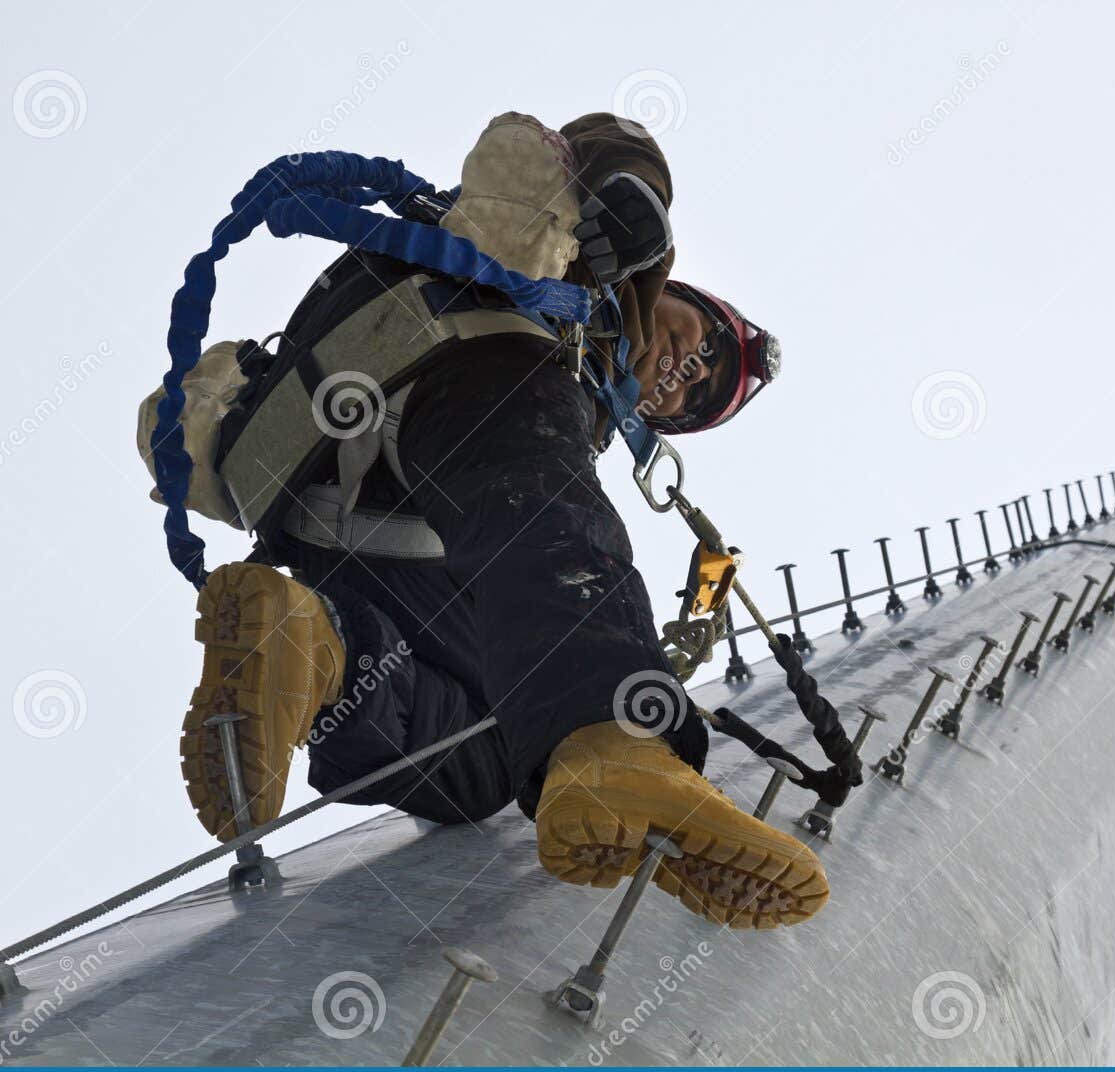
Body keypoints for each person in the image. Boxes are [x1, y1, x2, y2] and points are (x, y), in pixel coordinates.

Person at [176, 112, 821, 931]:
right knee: (553, 527)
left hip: (343, 520)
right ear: (680, 296)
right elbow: (614, 143)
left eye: (694, 396)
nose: (686, 372)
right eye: (700, 348)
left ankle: (317, 647)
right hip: (457, 370)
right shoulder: (612, 271)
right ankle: (617, 733)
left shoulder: (593, 385)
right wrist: (633, 200)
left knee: (487, 758)